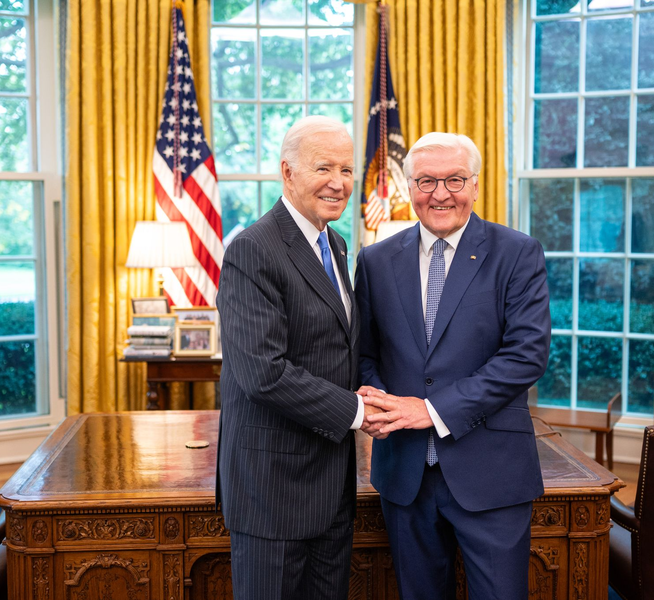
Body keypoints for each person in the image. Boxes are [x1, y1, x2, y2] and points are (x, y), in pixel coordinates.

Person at [354, 132, 551, 599]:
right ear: (409, 188)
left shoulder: (517, 253)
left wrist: (432, 410)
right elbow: (364, 354)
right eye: (426, 181)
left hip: (492, 473)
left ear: (476, 186)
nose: (440, 194)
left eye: (455, 180)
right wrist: (378, 400)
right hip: (404, 475)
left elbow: (527, 355)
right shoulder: (376, 260)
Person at [216, 116, 380, 600]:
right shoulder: (252, 249)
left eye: (347, 170)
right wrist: (359, 411)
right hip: (274, 494)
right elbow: (262, 374)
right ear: (287, 172)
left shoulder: (336, 244)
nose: (339, 182)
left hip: (331, 486)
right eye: (324, 168)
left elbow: (337, 347)